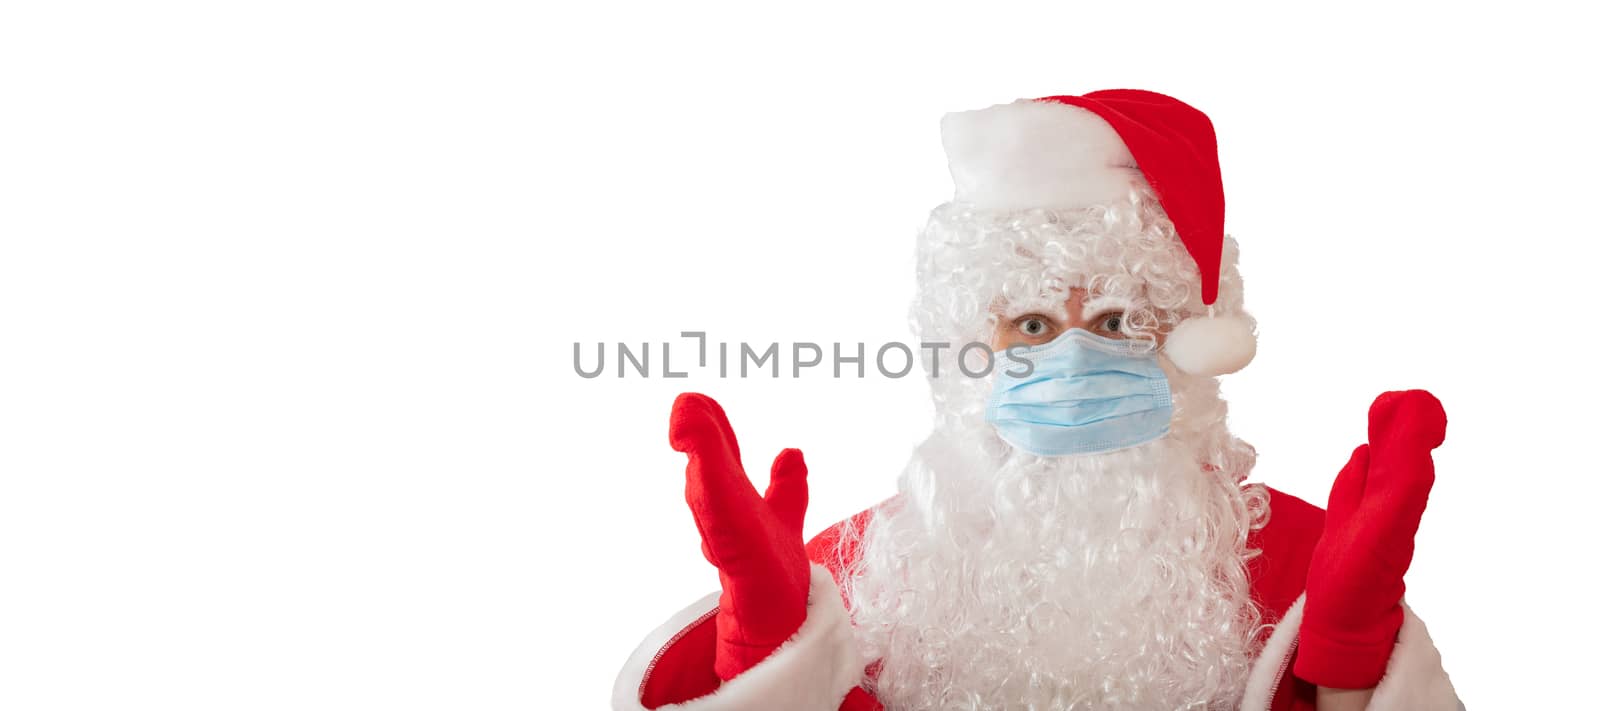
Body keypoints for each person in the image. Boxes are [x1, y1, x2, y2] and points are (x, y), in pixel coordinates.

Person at [612, 90, 1461, 710]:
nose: (1076, 356)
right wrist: (764, 649)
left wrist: (1349, 654)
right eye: (1031, 322)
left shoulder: (1300, 564)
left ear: (1188, 340)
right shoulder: (869, 571)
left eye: (1120, 319)